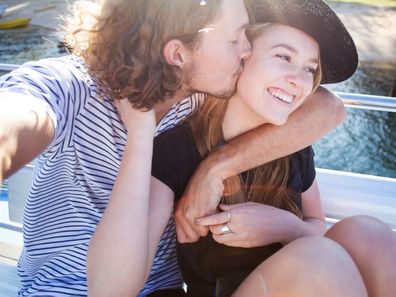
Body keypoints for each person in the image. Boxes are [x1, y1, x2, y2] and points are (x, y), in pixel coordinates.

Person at [0, 0, 346, 296]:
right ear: (178, 52)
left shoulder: (199, 95)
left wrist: (214, 169)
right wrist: (140, 131)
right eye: (234, 38)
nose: (246, 49)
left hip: (164, 290)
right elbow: (20, 113)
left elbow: (327, 108)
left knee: (360, 237)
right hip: (67, 288)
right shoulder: (71, 87)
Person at [91, 0, 396, 296]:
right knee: (319, 260)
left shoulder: (292, 143)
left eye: (309, 69)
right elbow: (113, 289)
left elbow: (315, 224)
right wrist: (141, 129)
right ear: (242, 56)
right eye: (283, 57)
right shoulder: (179, 149)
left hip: (305, 277)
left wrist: (284, 227)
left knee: (368, 234)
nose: (298, 81)